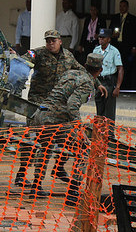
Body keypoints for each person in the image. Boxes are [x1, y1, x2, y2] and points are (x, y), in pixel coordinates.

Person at [15, 53, 103, 200]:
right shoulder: (87, 83)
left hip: (41, 114)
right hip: (57, 118)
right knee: (82, 149)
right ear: (99, 70)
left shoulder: (70, 73)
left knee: (45, 149)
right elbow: (72, 105)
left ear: (86, 66)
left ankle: (36, 187)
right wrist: (79, 128)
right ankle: (73, 191)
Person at [14, 29, 85, 187]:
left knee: (68, 136)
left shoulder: (68, 57)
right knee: (34, 139)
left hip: (58, 104)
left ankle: (59, 168)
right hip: (37, 103)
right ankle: (22, 174)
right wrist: (14, 57)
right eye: (48, 41)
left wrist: (97, 84)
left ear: (60, 41)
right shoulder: (38, 54)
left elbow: (81, 71)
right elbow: (23, 61)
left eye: (53, 40)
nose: (50, 43)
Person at [93, 28, 123, 120]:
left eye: (103, 37)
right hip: (99, 82)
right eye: (99, 37)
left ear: (109, 39)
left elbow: (120, 69)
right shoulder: (96, 50)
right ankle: (99, 134)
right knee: (99, 111)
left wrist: (117, 87)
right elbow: (93, 69)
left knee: (109, 113)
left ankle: (109, 134)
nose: (100, 39)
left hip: (109, 82)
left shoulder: (114, 51)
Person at [110, 0, 136, 89]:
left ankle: (125, 86)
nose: (121, 8)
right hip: (116, 44)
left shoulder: (133, 19)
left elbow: (135, 34)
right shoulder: (115, 17)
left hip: (126, 45)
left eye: (124, 6)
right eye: (120, 6)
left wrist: (134, 46)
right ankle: (114, 85)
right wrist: (112, 35)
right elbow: (109, 29)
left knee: (125, 66)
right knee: (115, 65)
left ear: (127, 7)